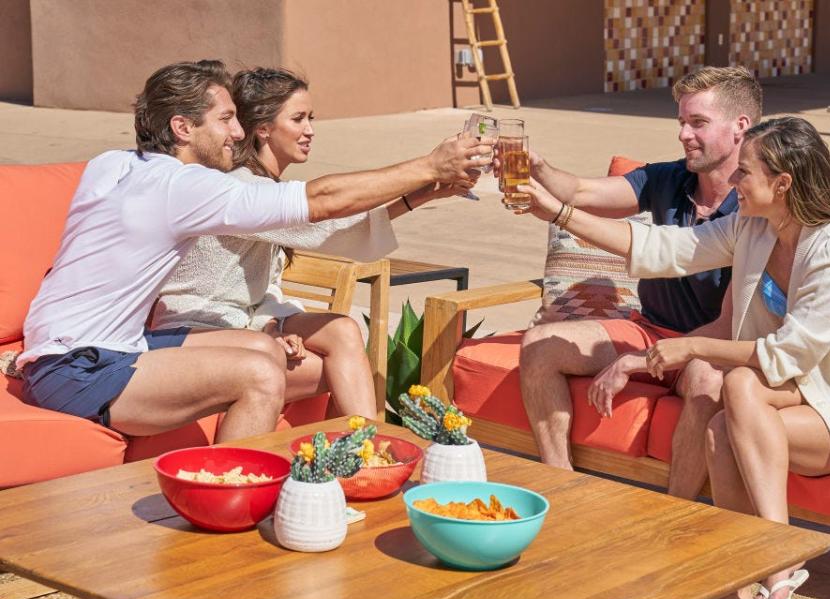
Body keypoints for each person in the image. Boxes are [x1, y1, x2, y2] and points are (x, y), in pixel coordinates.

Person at [517, 116, 830, 599]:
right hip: (794, 393)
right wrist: (561, 213)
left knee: (735, 394)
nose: (732, 182)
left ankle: (776, 552)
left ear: (783, 183)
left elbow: (793, 353)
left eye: (744, 173)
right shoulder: (754, 228)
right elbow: (666, 249)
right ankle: (735, 584)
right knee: (728, 414)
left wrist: (689, 349)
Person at [15, 59, 491, 445]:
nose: (237, 133)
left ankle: (356, 454)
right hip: (77, 366)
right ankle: (229, 501)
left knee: (265, 348)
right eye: (225, 120)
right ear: (182, 126)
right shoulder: (185, 187)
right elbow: (323, 204)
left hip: (99, 347)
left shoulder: (113, 163)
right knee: (260, 373)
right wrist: (431, 165)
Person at [151, 67, 465, 420]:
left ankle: (367, 447)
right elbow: (327, 221)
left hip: (244, 323)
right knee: (333, 370)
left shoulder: (263, 188)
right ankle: (357, 449)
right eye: (298, 119)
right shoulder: (245, 191)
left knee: (343, 330)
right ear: (264, 128)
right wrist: (429, 170)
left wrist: (422, 195)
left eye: (310, 118)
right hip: (199, 328)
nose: (310, 130)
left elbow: (317, 236)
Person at [516, 66, 761, 500]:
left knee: (707, 381)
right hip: (649, 328)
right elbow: (581, 192)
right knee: (540, 342)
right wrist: (537, 168)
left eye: (698, 123)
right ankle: (559, 485)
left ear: (741, 126)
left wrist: (647, 359)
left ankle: (673, 511)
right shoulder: (669, 177)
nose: (684, 134)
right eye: (682, 122)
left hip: (712, 347)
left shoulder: (757, 207)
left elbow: (731, 326)